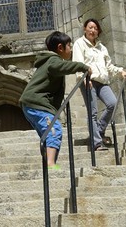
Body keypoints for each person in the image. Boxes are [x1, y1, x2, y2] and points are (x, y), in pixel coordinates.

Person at [18, 30, 89, 167]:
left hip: (32, 104)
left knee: (47, 133)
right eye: (69, 45)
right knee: (54, 129)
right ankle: (50, 164)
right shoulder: (53, 61)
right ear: (60, 48)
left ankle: (48, 162)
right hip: (38, 103)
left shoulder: (49, 61)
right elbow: (62, 67)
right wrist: (82, 66)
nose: (71, 49)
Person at [71, 18, 126, 152]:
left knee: (112, 103)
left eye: (96, 28)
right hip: (88, 80)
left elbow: (108, 66)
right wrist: (83, 78)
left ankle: (100, 130)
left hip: (102, 81)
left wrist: (120, 72)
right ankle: (96, 143)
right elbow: (78, 63)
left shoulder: (102, 48)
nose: (93, 30)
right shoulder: (79, 44)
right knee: (93, 112)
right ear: (85, 29)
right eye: (90, 27)